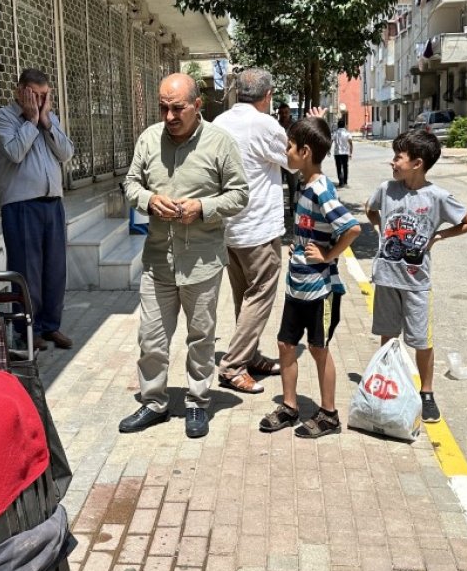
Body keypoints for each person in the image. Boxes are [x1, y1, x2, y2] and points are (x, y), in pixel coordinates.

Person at [117, 73, 249, 439]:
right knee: (151, 339)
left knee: (201, 337)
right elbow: (131, 184)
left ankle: (197, 402)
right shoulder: (149, 139)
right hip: (158, 260)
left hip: (202, 262)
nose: (170, 116)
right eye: (163, 108)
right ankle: (154, 402)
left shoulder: (220, 142)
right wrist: (148, 200)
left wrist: (203, 208)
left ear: (197, 105)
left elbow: (240, 194)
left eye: (177, 108)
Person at [365, 129, 467, 423]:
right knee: (388, 336)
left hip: (416, 283)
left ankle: (426, 393)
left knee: (421, 341)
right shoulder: (387, 189)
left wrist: (439, 236)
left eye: (398, 157)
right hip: (386, 277)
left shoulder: (437, 196)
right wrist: (380, 230)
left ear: (417, 163)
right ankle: (388, 383)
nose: (392, 162)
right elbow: (370, 209)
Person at [258, 116, 360, 438]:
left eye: (289, 147)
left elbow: (351, 228)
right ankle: (290, 407)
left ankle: (329, 414)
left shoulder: (320, 189)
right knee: (285, 344)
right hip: (297, 286)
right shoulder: (304, 184)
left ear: (304, 152)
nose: (285, 152)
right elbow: (314, 229)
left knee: (318, 348)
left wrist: (328, 256)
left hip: (321, 290)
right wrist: (301, 247)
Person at [212, 68, 286, 395]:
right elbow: (294, 160)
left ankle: (250, 355)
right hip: (258, 230)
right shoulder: (265, 124)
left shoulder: (218, 123)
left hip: (228, 228)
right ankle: (233, 366)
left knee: (243, 298)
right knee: (259, 297)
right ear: (267, 96)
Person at [0, 69, 76, 350]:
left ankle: (51, 325)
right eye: (33, 94)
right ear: (19, 91)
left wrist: (47, 122)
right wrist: (30, 121)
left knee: (54, 268)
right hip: (21, 204)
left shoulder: (51, 118)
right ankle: (28, 330)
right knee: (27, 270)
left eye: (43, 95)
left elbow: (66, 153)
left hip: (52, 202)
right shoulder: (3, 117)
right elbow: (15, 153)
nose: (38, 101)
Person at [331, 119, 353, 188]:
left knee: (339, 167)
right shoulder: (347, 133)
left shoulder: (335, 133)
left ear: (338, 125)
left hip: (337, 153)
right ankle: (345, 181)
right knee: (345, 167)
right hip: (345, 153)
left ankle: (341, 182)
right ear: (345, 125)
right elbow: (350, 143)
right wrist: (351, 152)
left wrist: (328, 150)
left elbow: (331, 141)